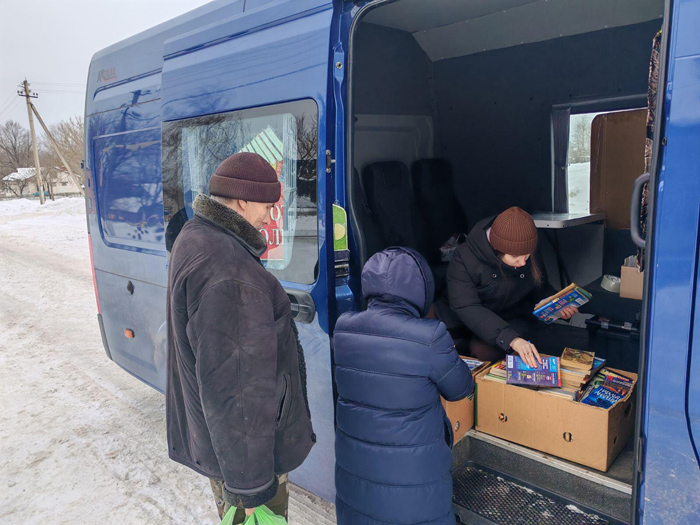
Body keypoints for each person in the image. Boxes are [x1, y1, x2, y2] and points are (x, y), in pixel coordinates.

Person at [166, 152, 315, 523]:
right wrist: (251, 489)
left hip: (227, 452)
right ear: (243, 201)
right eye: (268, 206)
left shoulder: (197, 236)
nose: (271, 216)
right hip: (246, 462)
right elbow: (237, 391)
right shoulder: (229, 271)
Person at [334, 247, 473, 525]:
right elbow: (460, 388)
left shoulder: (344, 328)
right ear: (421, 289)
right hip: (413, 475)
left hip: (357, 469)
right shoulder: (429, 336)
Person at [446, 206, 577, 367]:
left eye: (527, 255)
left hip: (517, 317)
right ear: (497, 248)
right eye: (515, 256)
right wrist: (511, 339)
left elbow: (539, 287)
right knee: (484, 352)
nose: (522, 262)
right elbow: (467, 307)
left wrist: (557, 305)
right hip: (481, 323)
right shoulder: (464, 258)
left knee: (552, 347)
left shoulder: (527, 250)